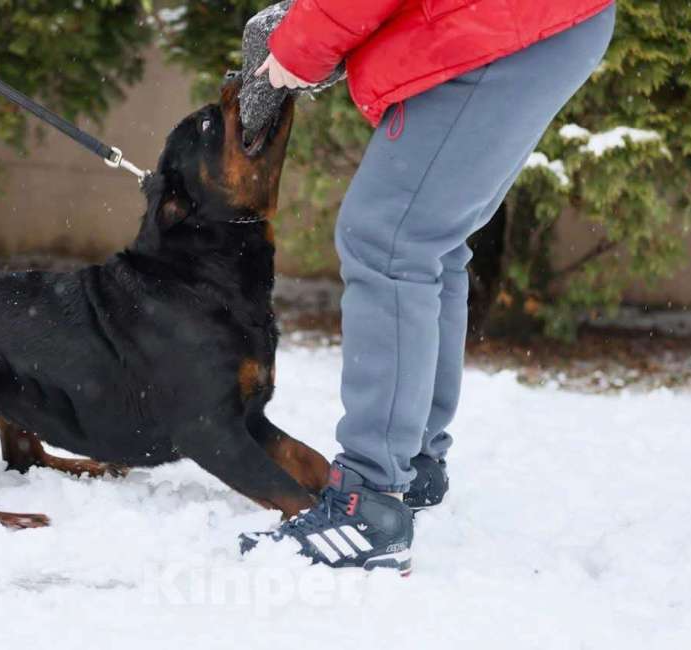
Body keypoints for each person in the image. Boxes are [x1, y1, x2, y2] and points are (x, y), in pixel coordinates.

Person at [244, 0, 617, 574]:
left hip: (502, 21)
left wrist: (302, 47)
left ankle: (368, 502)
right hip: (539, 20)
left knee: (387, 240)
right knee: (428, 240)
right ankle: (412, 462)